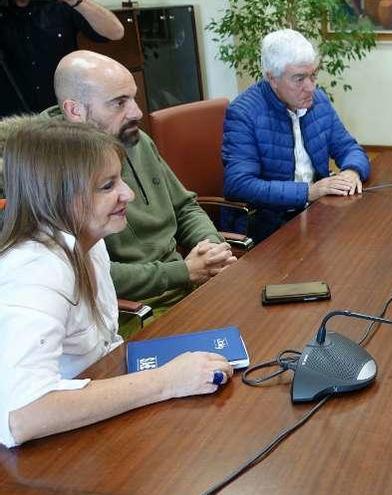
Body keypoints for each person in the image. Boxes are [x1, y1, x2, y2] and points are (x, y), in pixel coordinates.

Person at [0, 118, 233, 448]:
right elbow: (23, 414)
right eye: (107, 186)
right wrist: (166, 381)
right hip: (54, 449)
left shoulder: (89, 241)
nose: (129, 193)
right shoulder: (33, 271)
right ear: (57, 196)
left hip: (99, 407)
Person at [42, 50, 236, 333]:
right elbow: (85, 270)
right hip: (134, 313)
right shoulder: (50, 170)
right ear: (75, 111)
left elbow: (184, 207)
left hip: (188, 283)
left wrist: (210, 248)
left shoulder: (136, 139)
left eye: (132, 97)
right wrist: (183, 271)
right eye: (119, 103)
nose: (136, 112)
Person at [222, 29, 370, 243]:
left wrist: (352, 172)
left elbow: (349, 148)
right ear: (272, 79)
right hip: (267, 226)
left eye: (313, 76)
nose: (310, 87)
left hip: (316, 214)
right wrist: (307, 192)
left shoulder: (318, 101)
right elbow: (239, 184)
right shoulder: (244, 113)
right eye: (299, 79)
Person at [0, 0, 124, 117]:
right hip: (13, 117)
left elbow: (115, 32)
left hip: (63, 112)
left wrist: (77, 2)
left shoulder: (59, 6)